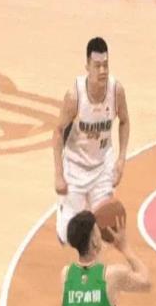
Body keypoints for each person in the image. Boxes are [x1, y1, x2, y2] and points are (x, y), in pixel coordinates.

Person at [53, 37, 130, 244]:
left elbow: (124, 122)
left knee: (106, 231)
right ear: (87, 66)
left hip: (102, 166)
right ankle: (63, 210)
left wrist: (121, 159)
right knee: (69, 237)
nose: (102, 70)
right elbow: (58, 132)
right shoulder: (74, 96)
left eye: (106, 65)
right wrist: (59, 175)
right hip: (76, 166)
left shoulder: (116, 91)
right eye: (97, 66)